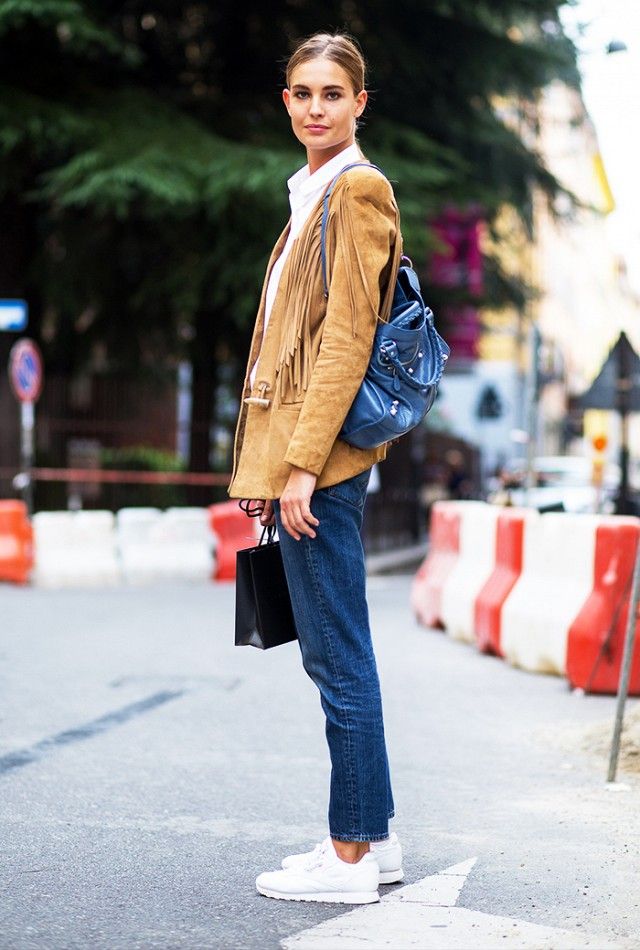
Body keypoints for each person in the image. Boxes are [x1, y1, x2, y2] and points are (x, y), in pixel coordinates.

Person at [228, 32, 404, 905]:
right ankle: (376, 836)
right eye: (302, 93)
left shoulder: (356, 190)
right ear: (287, 101)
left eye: (332, 93)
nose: (315, 108)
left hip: (321, 466)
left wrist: (299, 467)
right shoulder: (311, 193)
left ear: (359, 103)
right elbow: (283, 347)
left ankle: (350, 857)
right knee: (338, 652)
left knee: (337, 659)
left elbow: (345, 343)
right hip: (302, 463)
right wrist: (269, 469)